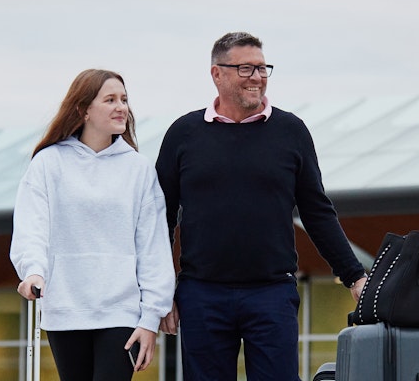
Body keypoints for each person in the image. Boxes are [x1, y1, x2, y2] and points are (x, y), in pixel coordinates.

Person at [154, 32, 368, 380]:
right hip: (202, 295)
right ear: (217, 74)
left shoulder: (291, 131)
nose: (257, 77)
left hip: (272, 295)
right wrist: (161, 292)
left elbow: (316, 211)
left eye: (262, 68)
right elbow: (159, 218)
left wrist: (354, 275)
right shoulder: (183, 134)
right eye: (245, 69)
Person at [10, 69, 176, 381]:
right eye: (110, 100)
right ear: (83, 109)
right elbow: (33, 225)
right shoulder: (48, 163)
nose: (121, 107)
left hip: (121, 309)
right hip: (65, 306)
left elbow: (152, 246)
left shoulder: (138, 170)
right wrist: (33, 270)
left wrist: (151, 316)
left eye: (124, 100)